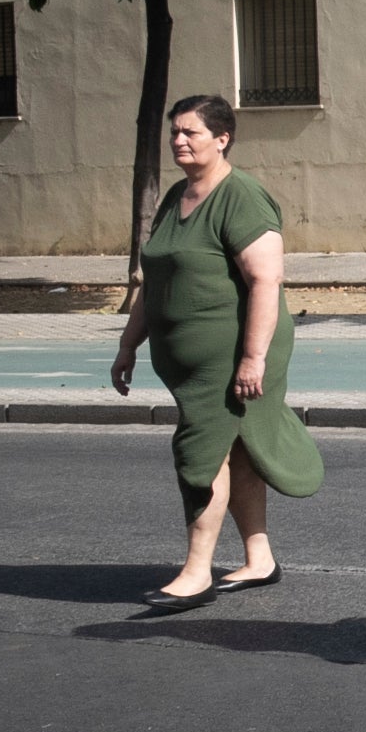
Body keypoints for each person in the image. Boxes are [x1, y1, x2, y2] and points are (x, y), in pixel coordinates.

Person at [113, 94, 324, 609]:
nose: (179, 141)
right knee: (239, 451)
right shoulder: (176, 197)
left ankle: (196, 571)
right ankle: (260, 559)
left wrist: (253, 359)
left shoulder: (242, 197)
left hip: (233, 356)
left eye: (191, 133)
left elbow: (266, 279)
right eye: (174, 133)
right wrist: (128, 345)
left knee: (199, 454)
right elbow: (153, 279)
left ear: (222, 138)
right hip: (187, 364)